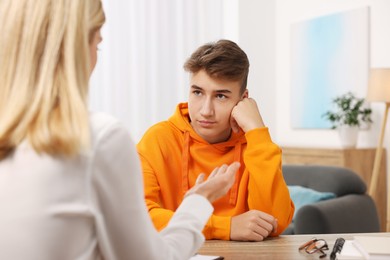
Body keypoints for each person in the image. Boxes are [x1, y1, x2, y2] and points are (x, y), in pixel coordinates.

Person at [0, 1, 240, 259]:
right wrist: (198, 201)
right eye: (98, 43)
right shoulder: (99, 139)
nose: (206, 110)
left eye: (221, 96)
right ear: (76, 47)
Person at [137, 39, 295, 241]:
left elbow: (274, 222)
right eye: (197, 92)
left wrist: (257, 132)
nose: (205, 111)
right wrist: (225, 227)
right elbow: (140, 218)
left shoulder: (255, 144)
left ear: (242, 99)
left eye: (220, 96)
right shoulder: (157, 140)